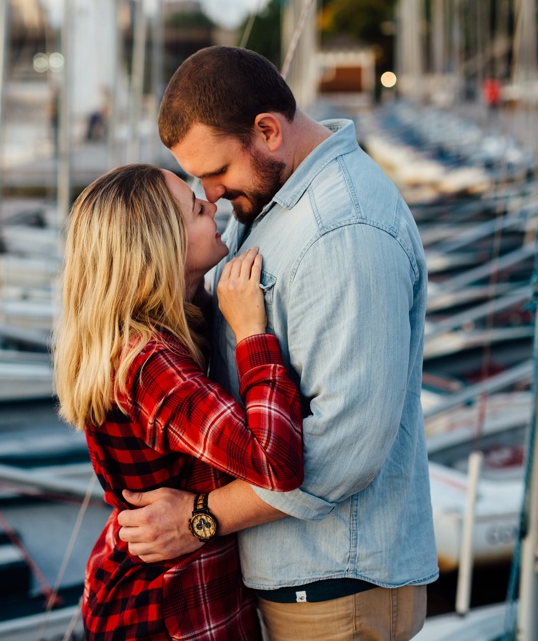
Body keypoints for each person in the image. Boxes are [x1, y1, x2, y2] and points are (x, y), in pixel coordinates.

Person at [117, 46, 438, 640]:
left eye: (215, 172)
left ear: (267, 131)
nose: (208, 195)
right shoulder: (269, 201)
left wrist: (198, 520)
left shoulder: (345, 230)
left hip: (337, 584)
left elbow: (345, 447)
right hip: (300, 574)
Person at [53, 163, 305, 640]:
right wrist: (252, 333)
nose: (212, 204)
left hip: (166, 595)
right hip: (169, 611)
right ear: (161, 244)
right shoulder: (149, 366)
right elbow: (276, 464)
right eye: (195, 207)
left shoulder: (175, 329)